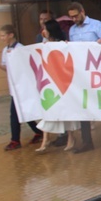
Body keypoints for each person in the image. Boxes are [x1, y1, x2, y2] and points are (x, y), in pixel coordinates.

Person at [67, 2, 101, 153]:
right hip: (82, 73)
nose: (74, 19)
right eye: (71, 17)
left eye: (76, 15)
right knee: (83, 106)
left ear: (82, 12)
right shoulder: (72, 30)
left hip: (97, 71)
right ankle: (87, 141)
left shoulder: (96, 25)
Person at [0, 24, 43, 151]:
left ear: (11, 35)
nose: (1, 38)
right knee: (21, 111)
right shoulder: (5, 50)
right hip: (14, 87)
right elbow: (7, 69)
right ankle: (39, 132)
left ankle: (15, 140)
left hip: (22, 87)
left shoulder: (20, 49)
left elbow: (25, 68)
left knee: (15, 114)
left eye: (3, 35)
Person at [34, 20, 80, 153]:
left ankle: (71, 138)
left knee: (67, 111)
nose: (43, 31)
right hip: (50, 82)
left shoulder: (61, 45)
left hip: (63, 82)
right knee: (48, 109)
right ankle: (45, 139)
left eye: (45, 29)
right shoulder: (45, 44)